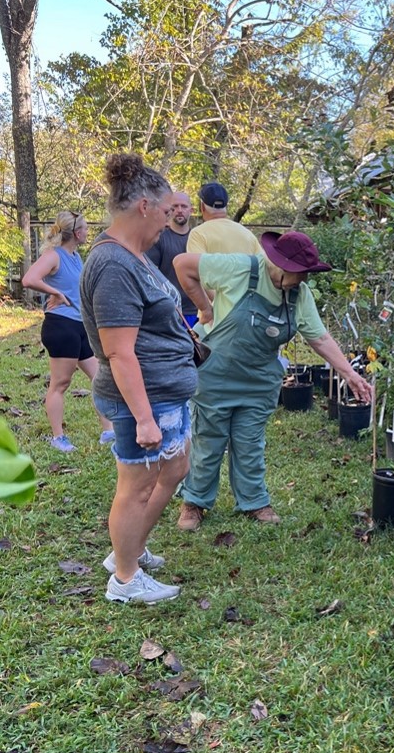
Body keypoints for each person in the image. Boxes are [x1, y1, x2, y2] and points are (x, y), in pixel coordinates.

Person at [173, 230, 373, 530]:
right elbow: (182, 264)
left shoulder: (299, 295)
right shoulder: (241, 268)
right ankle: (194, 502)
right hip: (218, 375)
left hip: (259, 380)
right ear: (281, 266)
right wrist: (205, 307)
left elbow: (319, 337)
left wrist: (350, 374)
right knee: (209, 440)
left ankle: (254, 502)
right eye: (301, 274)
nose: (304, 281)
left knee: (250, 442)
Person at [80, 153, 197, 604]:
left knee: (175, 468)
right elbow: (118, 352)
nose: (170, 223)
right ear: (144, 207)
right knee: (137, 486)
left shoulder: (135, 257)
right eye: (167, 213)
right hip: (141, 399)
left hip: (165, 391)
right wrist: (144, 419)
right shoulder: (112, 265)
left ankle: (128, 551)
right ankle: (125, 580)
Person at [21, 211, 115, 452]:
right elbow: (29, 279)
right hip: (60, 326)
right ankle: (58, 438)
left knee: (99, 379)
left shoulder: (76, 256)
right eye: (84, 228)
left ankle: (109, 431)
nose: (87, 231)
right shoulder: (54, 256)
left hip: (80, 326)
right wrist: (55, 293)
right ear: (75, 233)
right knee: (60, 383)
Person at [146, 190, 198, 326]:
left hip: (199, 310)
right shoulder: (159, 238)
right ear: (168, 210)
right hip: (172, 311)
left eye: (183, 206)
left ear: (191, 210)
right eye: (174, 207)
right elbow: (150, 275)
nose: (179, 210)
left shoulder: (199, 238)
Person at [186, 181, 262, 256]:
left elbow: (195, 266)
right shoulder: (247, 234)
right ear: (226, 207)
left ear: (202, 207)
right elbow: (268, 264)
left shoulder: (198, 234)